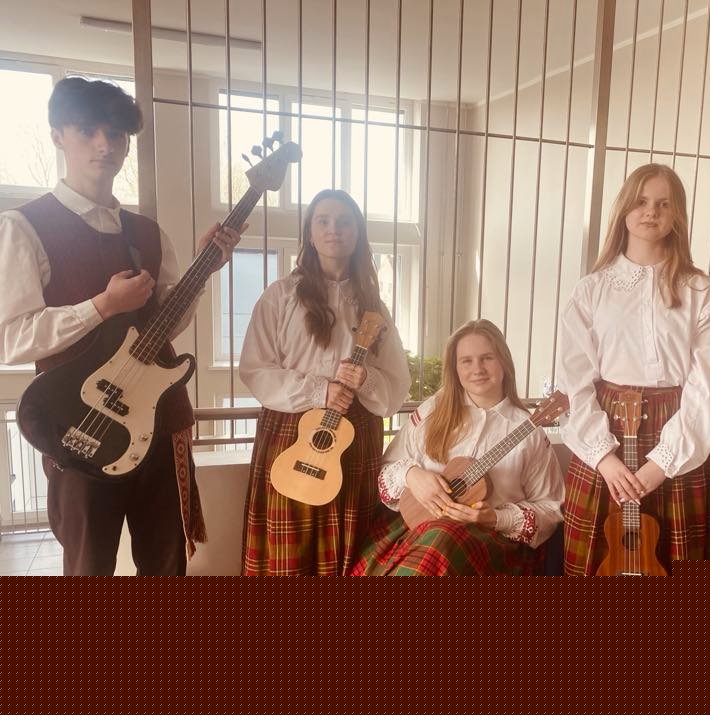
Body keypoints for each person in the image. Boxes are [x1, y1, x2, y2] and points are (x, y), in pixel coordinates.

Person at [0, 76, 244, 575]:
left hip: (159, 419)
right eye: (87, 130)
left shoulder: (147, 233)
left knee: (166, 563)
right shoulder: (23, 226)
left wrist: (203, 271)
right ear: (57, 136)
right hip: (80, 428)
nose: (104, 144)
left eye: (115, 133)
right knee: (90, 566)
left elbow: (165, 326)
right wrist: (102, 306)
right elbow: (12, 338)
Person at [557, 163, 710, 575]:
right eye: (642, 201)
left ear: (677, 215)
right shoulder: (591, 290)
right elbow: (573, 382)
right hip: (605, 435)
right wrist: (603, 457)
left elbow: (708, 385)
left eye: (664, 204)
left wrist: (663, 463)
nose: (651, 211)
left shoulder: (701, 290)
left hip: (678, 432)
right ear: (624, 209)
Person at [239, 189, 410, 575]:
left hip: (353, 433)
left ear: (357, 234)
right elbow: (255, 369)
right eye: (324, 221)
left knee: (346, 549)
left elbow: (397, 382)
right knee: (288, 550)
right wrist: (319, 390)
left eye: (345, 222)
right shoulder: (280, 296)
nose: (334, 229)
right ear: (310, 234)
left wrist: (365, 379)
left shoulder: (373, 306)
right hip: (290, 429)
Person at [354, 319, 563, 576]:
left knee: (444, 539)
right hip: (417, 528)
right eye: (466, 361)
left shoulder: (529, 431)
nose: (478, 369)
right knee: (437, 539)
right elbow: (386, 470)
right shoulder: (433, 410)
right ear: (455, 368)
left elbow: (550, 509)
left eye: (487, 358)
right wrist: (411, 475)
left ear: (504, 362)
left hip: (488, 543)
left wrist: (495, 518)